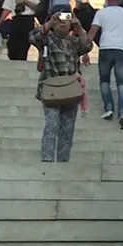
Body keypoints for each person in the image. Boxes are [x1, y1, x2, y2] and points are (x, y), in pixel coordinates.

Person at [28, 10, 93, 162]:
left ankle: (64, 160)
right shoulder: (48, 39)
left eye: (66, 20)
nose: (63, 23)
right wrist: (50, 23)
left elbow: (87, 46)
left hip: (71, 89)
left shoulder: (74, 41)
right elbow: (33, 37)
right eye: (59, 21)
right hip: (52, 88)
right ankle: (47, 159)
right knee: (51, 124)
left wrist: (80, 28)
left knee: (68, 128)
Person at [87, 0, 123, 130]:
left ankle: (108, 108)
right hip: (122, 49)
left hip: (105, 48)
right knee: (122, 83)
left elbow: (92, 32)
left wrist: (85, 51)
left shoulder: (101, 13)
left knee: (104, 80)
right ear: (120, 0)